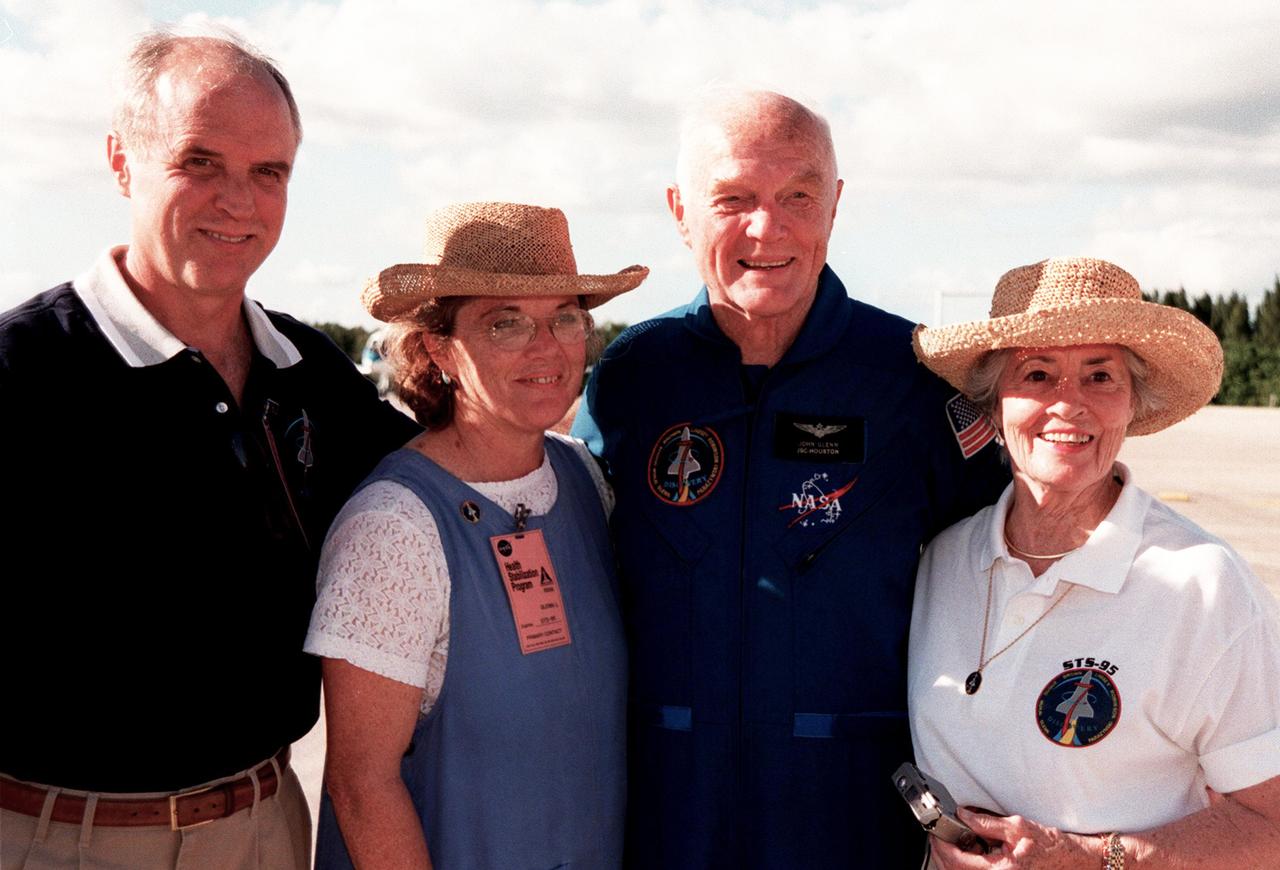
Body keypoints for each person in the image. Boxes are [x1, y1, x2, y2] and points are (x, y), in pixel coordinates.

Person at [0, 30, 417, 869]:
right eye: (201, 161)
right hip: (57, 841)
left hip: (268, 826)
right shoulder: (19, 372)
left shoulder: (310, 372)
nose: (240, 201)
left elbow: (438, 480)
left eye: (270, 172)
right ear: (122, 163)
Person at [571, 89, 1009, 868]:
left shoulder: (910, 378)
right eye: (733, 199)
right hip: (665, 812)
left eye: (797, 196)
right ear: (680, 210)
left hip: (849, 816)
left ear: (835, 205)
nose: (766, 229)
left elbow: (1005, 575)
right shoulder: (634, 378)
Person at [305, 201, 648, 869]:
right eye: (506, 323)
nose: (546, 349)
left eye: (565, 318)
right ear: (438, 349)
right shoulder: (394, 530)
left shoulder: (582, 479)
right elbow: (361, 786)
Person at [908, 257, 1280, 868]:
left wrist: (1093, 858)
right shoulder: (943, 561)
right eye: (1037, 373)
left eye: (1100, 376)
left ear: (1134, 403)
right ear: (994, 403)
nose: (1068, 405)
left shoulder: (1202, 585)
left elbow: (1271, 824)